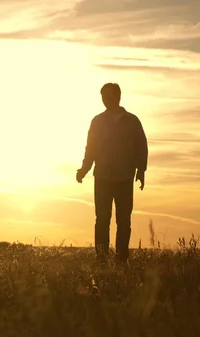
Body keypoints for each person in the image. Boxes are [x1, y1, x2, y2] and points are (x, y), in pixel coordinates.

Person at [76, 83, 148, 263]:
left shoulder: (132, 121)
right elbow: (90, 148)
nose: (104, 100)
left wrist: (141, 170)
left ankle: (121, 259)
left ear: (118, 96)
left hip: (124, 177)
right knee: (102, 220)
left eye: (107, 96)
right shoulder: (97, 121)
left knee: (123, 221)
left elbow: (141, 146)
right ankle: (101, 258)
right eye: (102, 96)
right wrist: (84, 169)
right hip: (102, 177)